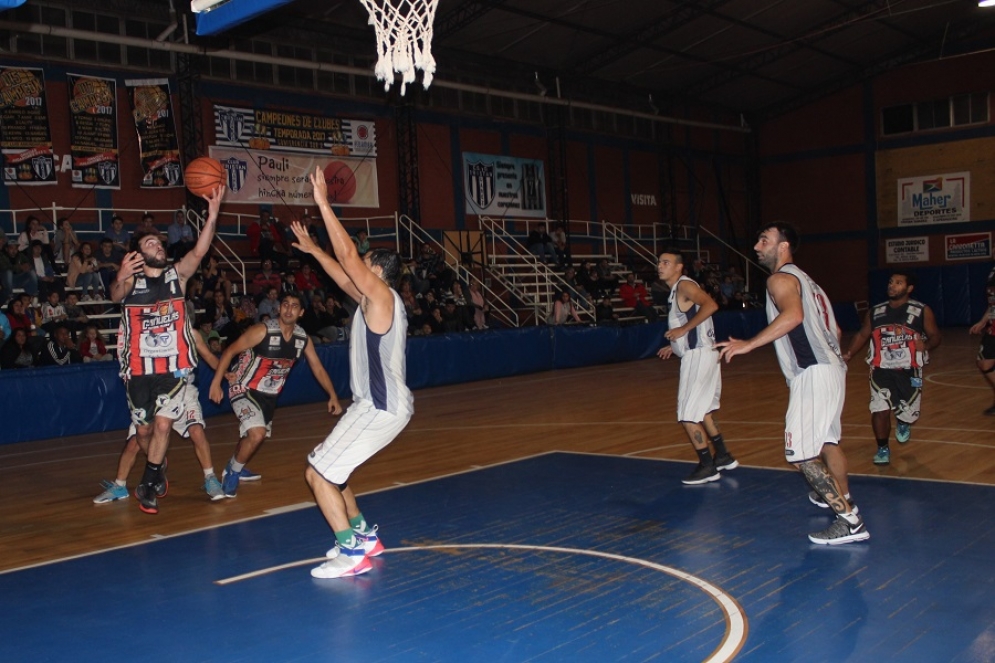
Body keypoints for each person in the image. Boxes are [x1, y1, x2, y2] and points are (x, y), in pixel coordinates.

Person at [291, 167, 413, 579]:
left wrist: (324, 202)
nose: (359, 263)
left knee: (318, 473)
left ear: (377, 270)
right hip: (377, 405)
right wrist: (312, 250)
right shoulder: (370, 297)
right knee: (337, 471)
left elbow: (347, 258)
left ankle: (351, 553)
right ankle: (364, 535)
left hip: (379, 406)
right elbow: (341, 271)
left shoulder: (381, 295)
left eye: (366, 261)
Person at [716, 222, 868, 546]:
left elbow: (794, 317)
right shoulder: (811, 283)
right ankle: (845, 499)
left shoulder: (779, 278)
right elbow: (836, 331)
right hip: (832, 369)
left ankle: (850, 521)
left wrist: (748, 344)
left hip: (813, 372)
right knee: (827, 442)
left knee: (799, 456)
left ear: (782, 246)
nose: (757, 246)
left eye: (764, 240)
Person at [111, 185, 224, 514]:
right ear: (137, 254)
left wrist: (213, 214)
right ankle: (157, 468)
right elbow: (116, 295)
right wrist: (120, 274)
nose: (158, 246)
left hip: (172, 368)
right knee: (144, 431)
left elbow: (200, 251)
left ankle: (147, 484)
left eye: (159, 243)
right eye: (150, 243)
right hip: (137, 369)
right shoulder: (131, 281)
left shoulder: (178, 275)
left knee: (162, 425)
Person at [209, 291, 342, 498]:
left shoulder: (302, 339)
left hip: (269, 395)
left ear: (301, 312)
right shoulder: (262, 331)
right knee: (257, 433)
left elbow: (317, 367)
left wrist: (332, 395)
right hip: (243, 387)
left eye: (294, 306)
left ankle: (234, 465)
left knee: (251, 436)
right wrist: (217, 382)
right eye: (285, 305)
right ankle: (232, 474)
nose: (289, 309)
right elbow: (229, 352)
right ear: (279, 308)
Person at [93, 332, 232, 504]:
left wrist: (224, 375)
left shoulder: (190, 332)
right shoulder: (149, 331)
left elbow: (209, 356)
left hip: (184, 389)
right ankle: (121, 485)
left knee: (196, 431)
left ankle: (210, 478)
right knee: (136, 440)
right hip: (157, 390)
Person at [841, 271, 941, 465]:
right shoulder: (876, 311)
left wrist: (926, 345)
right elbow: (863, 334)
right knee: (879, 409)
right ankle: (882, 448)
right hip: (881, 368)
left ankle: (904, 421)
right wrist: (849, 353)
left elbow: (936, 336)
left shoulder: (921, 310)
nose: (892, 286)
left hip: (910, 369)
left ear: (909, 288)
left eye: (898, 283)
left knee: (908, 411)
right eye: (890, 282)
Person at [656, 249, 738, 484]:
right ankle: (723, 456)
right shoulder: (676, 291)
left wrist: (683, 331)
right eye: (659, 262)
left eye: (666, 262)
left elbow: (710, 305)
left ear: (679, 267)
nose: (660, 266)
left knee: (687, 415)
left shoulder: (684, 285)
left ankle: (707, 465)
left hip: (698, 356)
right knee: (703, 410)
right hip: (705, 353)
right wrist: (677, 345)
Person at [969, 255, 995, 415]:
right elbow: (993, 303)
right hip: (993, 325)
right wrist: (983, 321)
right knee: (984, 362)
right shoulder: (992, 271)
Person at [0, 240, 39, 305]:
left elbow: (28, 263)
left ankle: (34, 296)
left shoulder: (20, 255)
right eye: (11, 248)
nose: (14, 251)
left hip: (17, 279)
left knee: (31, 271)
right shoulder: (1, 255)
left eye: (15, 248)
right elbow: (5, 267)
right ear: (7, 249)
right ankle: (10, 297)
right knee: (8, 272)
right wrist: (20, 267)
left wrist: (27, 266)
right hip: (5, 281)